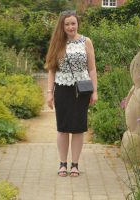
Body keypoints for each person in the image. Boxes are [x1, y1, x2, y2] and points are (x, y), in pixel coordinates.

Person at [44, 10, 98, 177]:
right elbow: (52, 70)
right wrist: (49, 93)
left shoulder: (86, 41)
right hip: (62, 89)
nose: (70, 27)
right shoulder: (57, 43)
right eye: (67, 24)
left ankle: (74, 164)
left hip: (81, 90)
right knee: (62, 128)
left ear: (77, 24)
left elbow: (92, 68)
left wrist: (95, 91)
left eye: (73, 23)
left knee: (78, 128)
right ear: (62, 26)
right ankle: (62, 164)